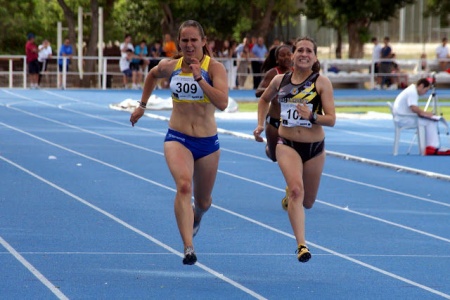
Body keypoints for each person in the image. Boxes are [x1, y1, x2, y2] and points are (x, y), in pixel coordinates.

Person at [130, 20, 229, 265]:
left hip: (207, 142)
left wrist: (199, 79)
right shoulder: (170, 66)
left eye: (194, 40)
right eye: (184, 40)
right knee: (184, 186)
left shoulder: (214, 69)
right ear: (179, 42)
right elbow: (152, 75)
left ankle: (197, 216)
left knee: (204, 201)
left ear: (203, 42)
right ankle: (188, 247)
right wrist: (142, 106)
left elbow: (223, 102)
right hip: (178, 137)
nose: (189, 44)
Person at [253, 37, 336, 263]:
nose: (304, 53)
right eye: (300, 49)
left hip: (314, 148)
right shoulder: (280, 80)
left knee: (307, 201)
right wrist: (261, 124)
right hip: (286, 144)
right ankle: (301, 245)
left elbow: (331, 119)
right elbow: (263, 100)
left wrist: (312, 116)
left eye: (309, 51)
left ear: (315, 58)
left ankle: (290, 200)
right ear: (293, 55)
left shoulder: (321, 83)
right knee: (296, 191)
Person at [393, 78, 450, 155]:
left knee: (428, 120)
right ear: (421, 86)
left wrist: (424, 114)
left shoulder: (411, 90)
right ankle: (432, 147)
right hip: (404, 118)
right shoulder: (412, 92)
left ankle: (431, 147)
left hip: (402, 117)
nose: (425, 93)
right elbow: (413, 108)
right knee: (431, 121)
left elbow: (413, 108)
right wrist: (426, 114)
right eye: (426, 90)